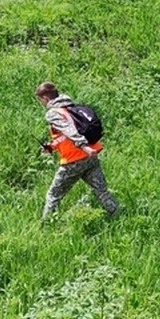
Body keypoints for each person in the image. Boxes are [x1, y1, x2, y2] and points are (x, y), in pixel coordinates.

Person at [36, 82, 119, 221]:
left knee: (53, 195)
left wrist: (83, 146)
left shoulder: (53, 113)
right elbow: (65, 136)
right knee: (102, 192)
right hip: (90, 157)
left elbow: (70, 131)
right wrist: (51, 147)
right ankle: (118, 216)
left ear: (45, 98)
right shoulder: (70, 108)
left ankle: (46, 225)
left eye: (40, 100)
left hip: (74, 160)